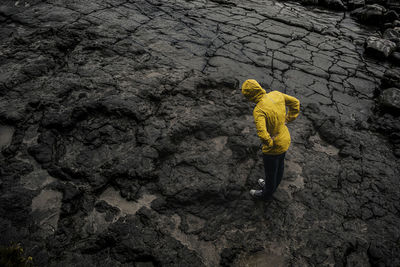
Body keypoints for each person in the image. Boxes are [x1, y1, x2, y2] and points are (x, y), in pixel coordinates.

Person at [241, 79, 300, 200]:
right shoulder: (276, 94)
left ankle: (266, 194)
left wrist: (269, 143)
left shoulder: (259, 110)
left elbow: (263, 134)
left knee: (271, 172)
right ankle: (272, 186)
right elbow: (295, 103)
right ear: (259, 87)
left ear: (250, 96)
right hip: (285, 139)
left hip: (274, 148)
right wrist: (289, 119)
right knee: (280, 167)